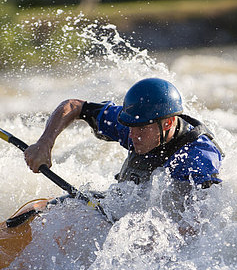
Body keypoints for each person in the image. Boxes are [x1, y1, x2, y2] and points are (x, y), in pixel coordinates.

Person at [24, 77, 223, 192]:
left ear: (168, 123)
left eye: (141, 129)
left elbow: (199, 225)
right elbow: (74, 106)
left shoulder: (198, 158)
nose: (132, 135)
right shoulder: (132, 122)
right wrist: (45, 142)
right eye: (129, 126)